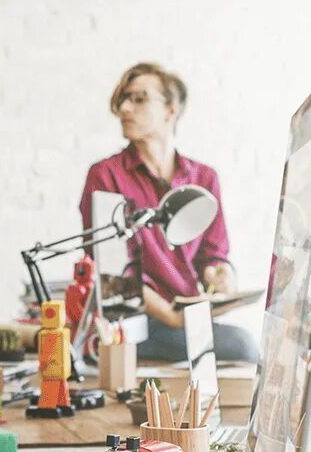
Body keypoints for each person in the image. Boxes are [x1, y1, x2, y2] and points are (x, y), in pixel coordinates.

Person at [79, 62, 258, 362]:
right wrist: (174, 318)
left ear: (170, 110)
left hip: (186, 315)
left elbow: (213, 254)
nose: (124, 108)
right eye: (123, 99)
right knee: (243, 346)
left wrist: (221, 276)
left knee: (241, 349)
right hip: (133, 321)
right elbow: (113, 276)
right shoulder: (105, 176)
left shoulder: (204, 179)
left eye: (138, 99)